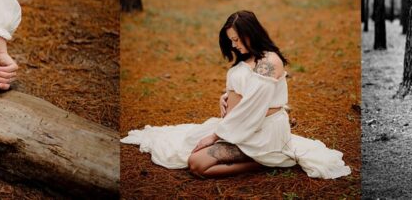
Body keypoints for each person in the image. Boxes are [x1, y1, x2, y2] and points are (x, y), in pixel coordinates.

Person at [121, 10, 351, 180]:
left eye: (238, 39)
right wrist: (226, 97)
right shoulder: (247, 62)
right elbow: (249, 93)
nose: (234, 45)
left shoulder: (269, 62)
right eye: (231, 40)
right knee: (186, 145)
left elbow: (254, 104)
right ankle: (261, 158)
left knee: (196, 164)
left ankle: (262, 162)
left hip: (262, 131)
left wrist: (214, 135)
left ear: (252, 33)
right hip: (239, 127)